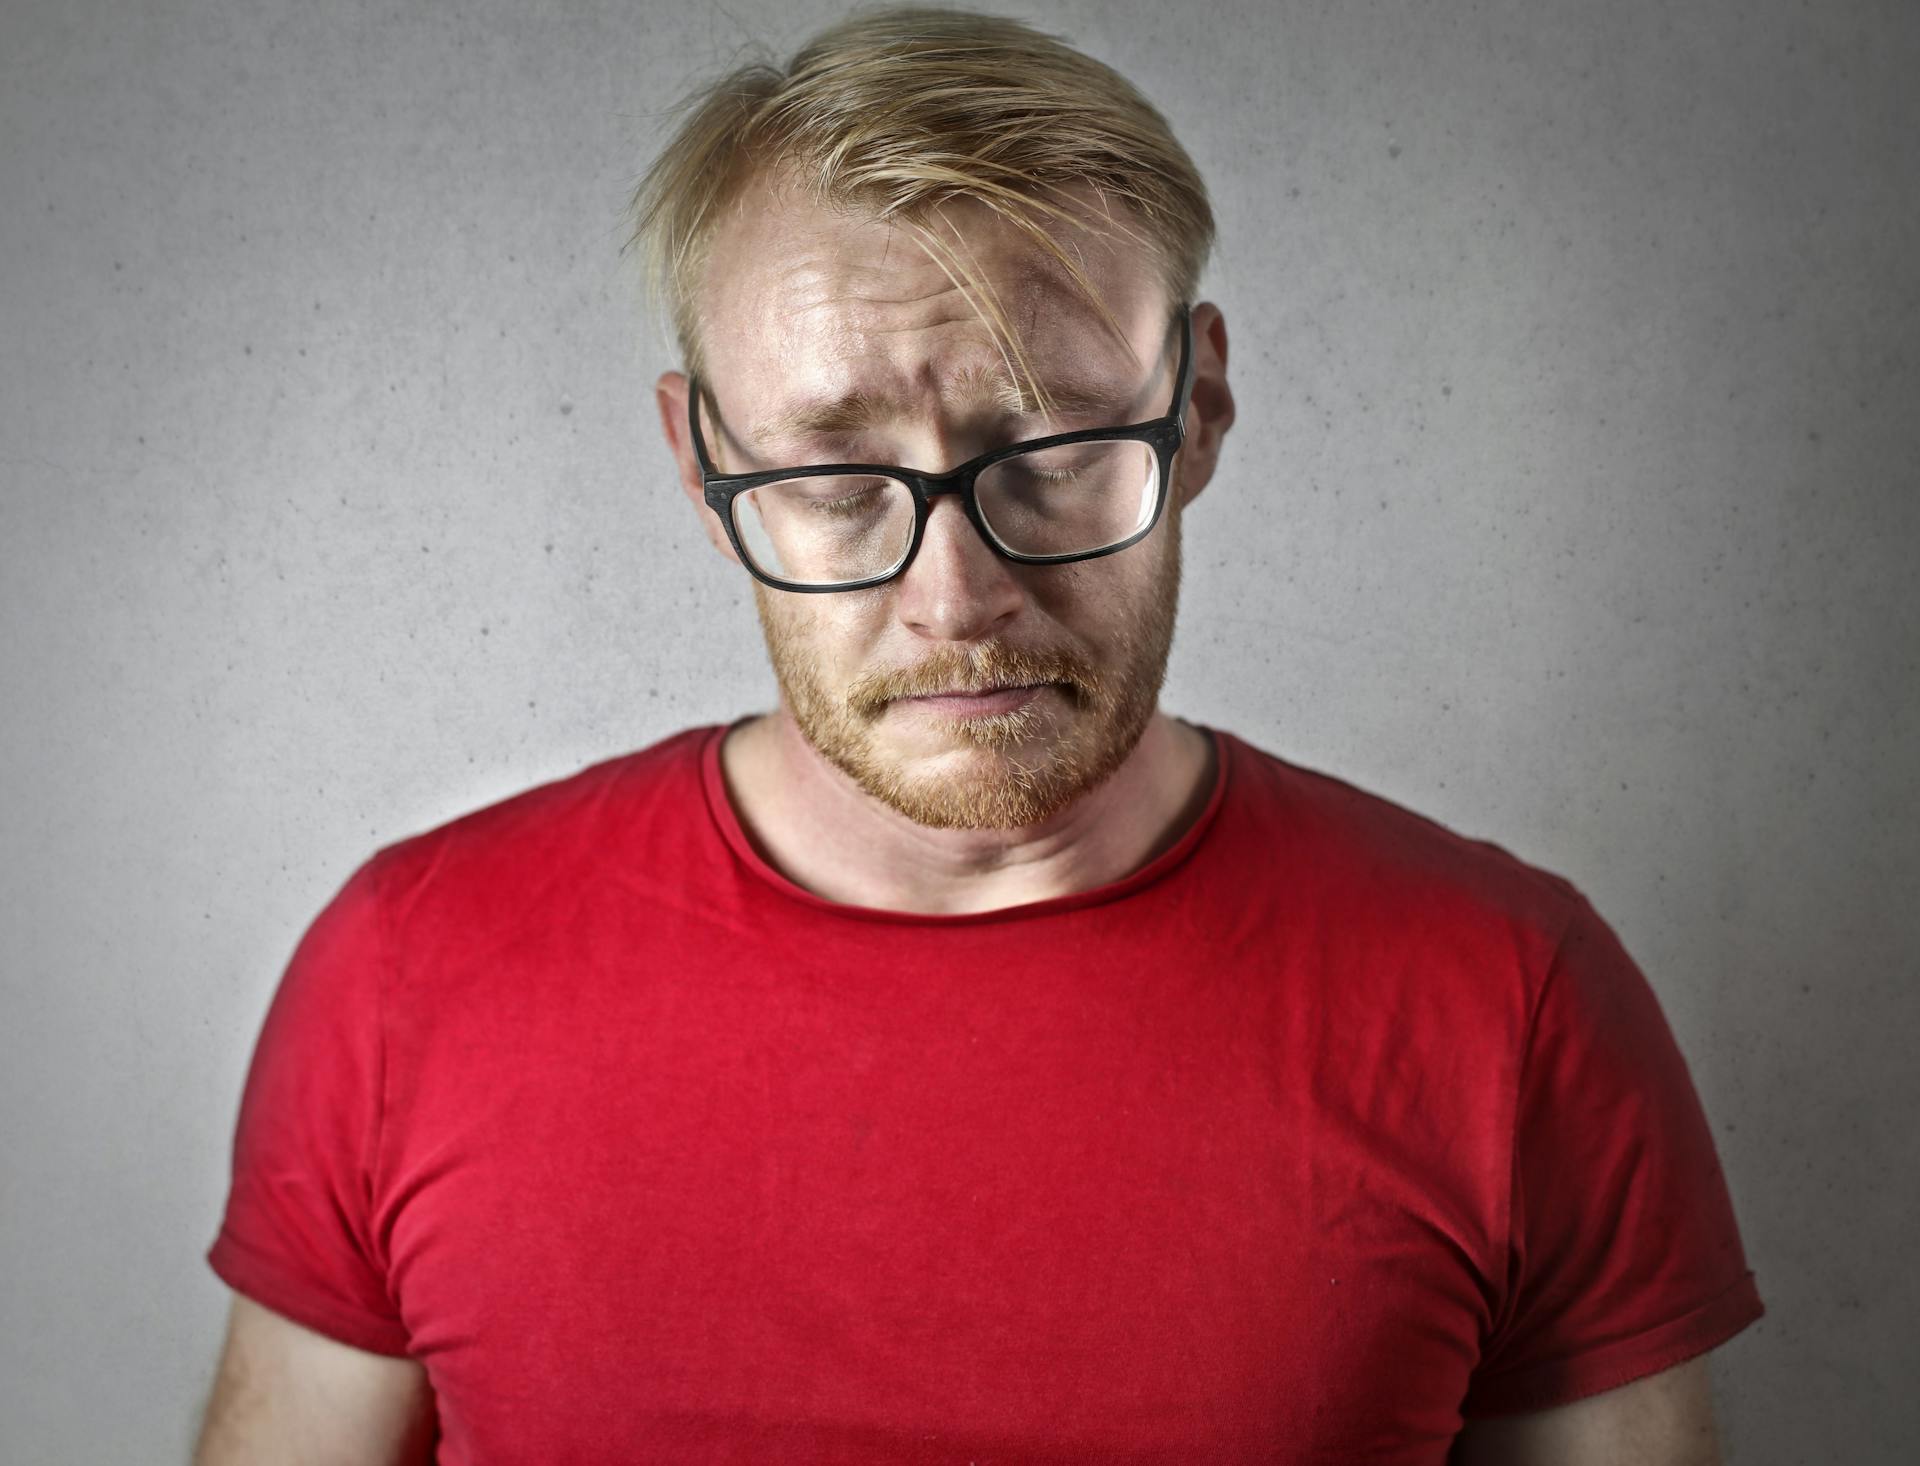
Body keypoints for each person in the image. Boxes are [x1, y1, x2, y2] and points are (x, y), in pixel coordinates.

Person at [193, 9, 1764, 1463]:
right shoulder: (410, 973)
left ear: (1198, 407)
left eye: (1059, 449)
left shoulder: (1514, 1000)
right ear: (699, 461)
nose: (958, 594)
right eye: (830, 474)